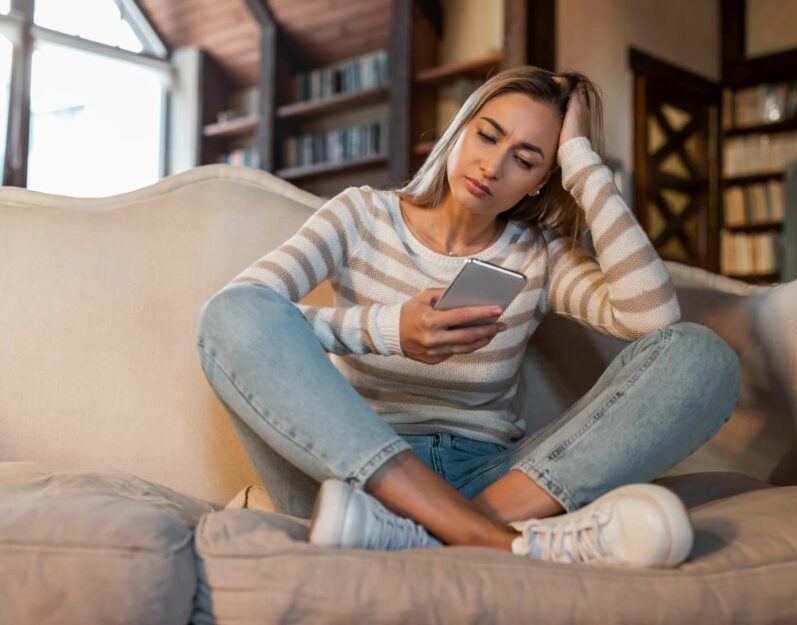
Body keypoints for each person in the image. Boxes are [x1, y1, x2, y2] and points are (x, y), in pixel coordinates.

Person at [196, 66, 740, 568]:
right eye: (487, 135)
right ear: (458, 130)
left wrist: (582, 161)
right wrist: (389, 331)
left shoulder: (539, 255)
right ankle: (487, 539)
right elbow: (246, 310)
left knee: (700, 354)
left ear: (542, 180)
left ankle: (426, 532)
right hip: (354, 472)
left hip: (493, 477)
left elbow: (651, 319)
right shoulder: (361, 214)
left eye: (526, 160)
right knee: (230, 314)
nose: (493, 165)